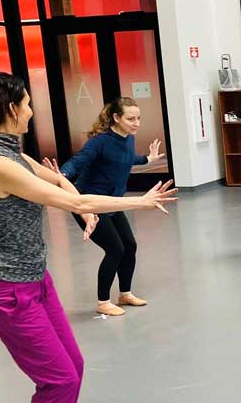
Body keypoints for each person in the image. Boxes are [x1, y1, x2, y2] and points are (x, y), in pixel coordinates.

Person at [0, 72, 177, 403]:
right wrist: (139, 201)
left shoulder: (12, 153)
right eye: (26, 103)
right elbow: (72, 198)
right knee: (57, 377)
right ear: (10, 110)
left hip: (35, 281)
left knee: (71, 366)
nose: (30, 110)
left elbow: (58, 179)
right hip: (8, 291)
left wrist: (66, 187)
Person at [44, 97, 166, 316]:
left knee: (129, 246)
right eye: (131, 119)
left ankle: (125, 294)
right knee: (115, 249)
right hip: (90, 204)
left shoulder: (127, 138)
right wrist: (61, 175)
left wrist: (148, 159)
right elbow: (78, 161)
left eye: (138, 118)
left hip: (112, 203)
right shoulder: (99, 141)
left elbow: (127, 159)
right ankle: (103, 302)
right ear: (116, 117)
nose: (136, 123)